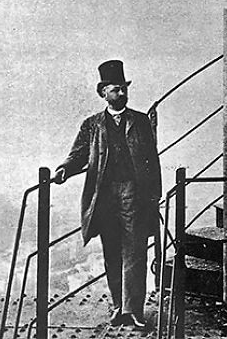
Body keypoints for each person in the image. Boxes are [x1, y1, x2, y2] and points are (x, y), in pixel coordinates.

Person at [54, 59, 162, 330]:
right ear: (103, 93)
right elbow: (78, 155)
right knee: (112, 251)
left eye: (124, 88)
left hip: (133, 193)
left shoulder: (139, 121)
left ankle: (134, 310)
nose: (122, 93)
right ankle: (118, 307)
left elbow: (152, 160)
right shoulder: (92, 125)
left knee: (135, 250)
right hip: (104, 195)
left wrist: (154, 196)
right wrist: (64, 170)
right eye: (116, 89)